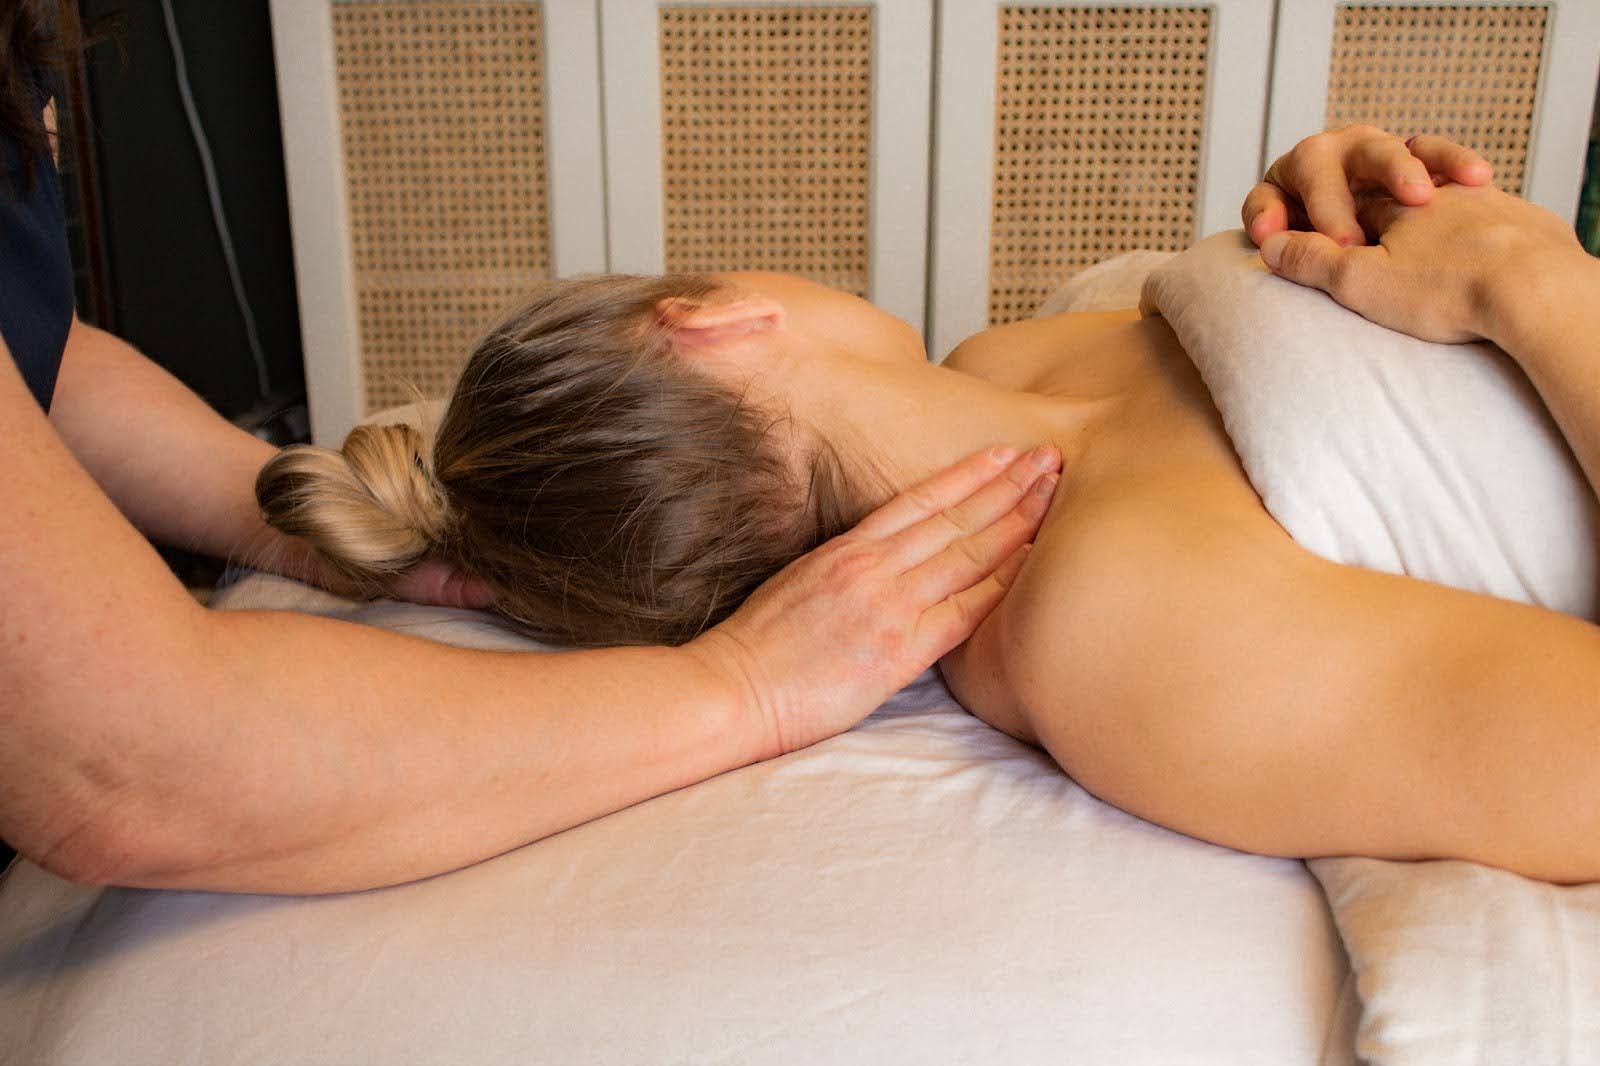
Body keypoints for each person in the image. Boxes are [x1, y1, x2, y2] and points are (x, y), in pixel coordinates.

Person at [266, 123, 1600, 884]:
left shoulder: (1027, 360)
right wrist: (1535, 297)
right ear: (711, 320)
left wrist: (1369, 212)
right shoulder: (1112, 626)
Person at [0, 4, 1061, 893]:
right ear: (707, 323)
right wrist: (741, 686)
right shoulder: (1086, 585)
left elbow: (37, 351)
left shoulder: (1021, 354)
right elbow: (128, 764)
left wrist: (285, 520)